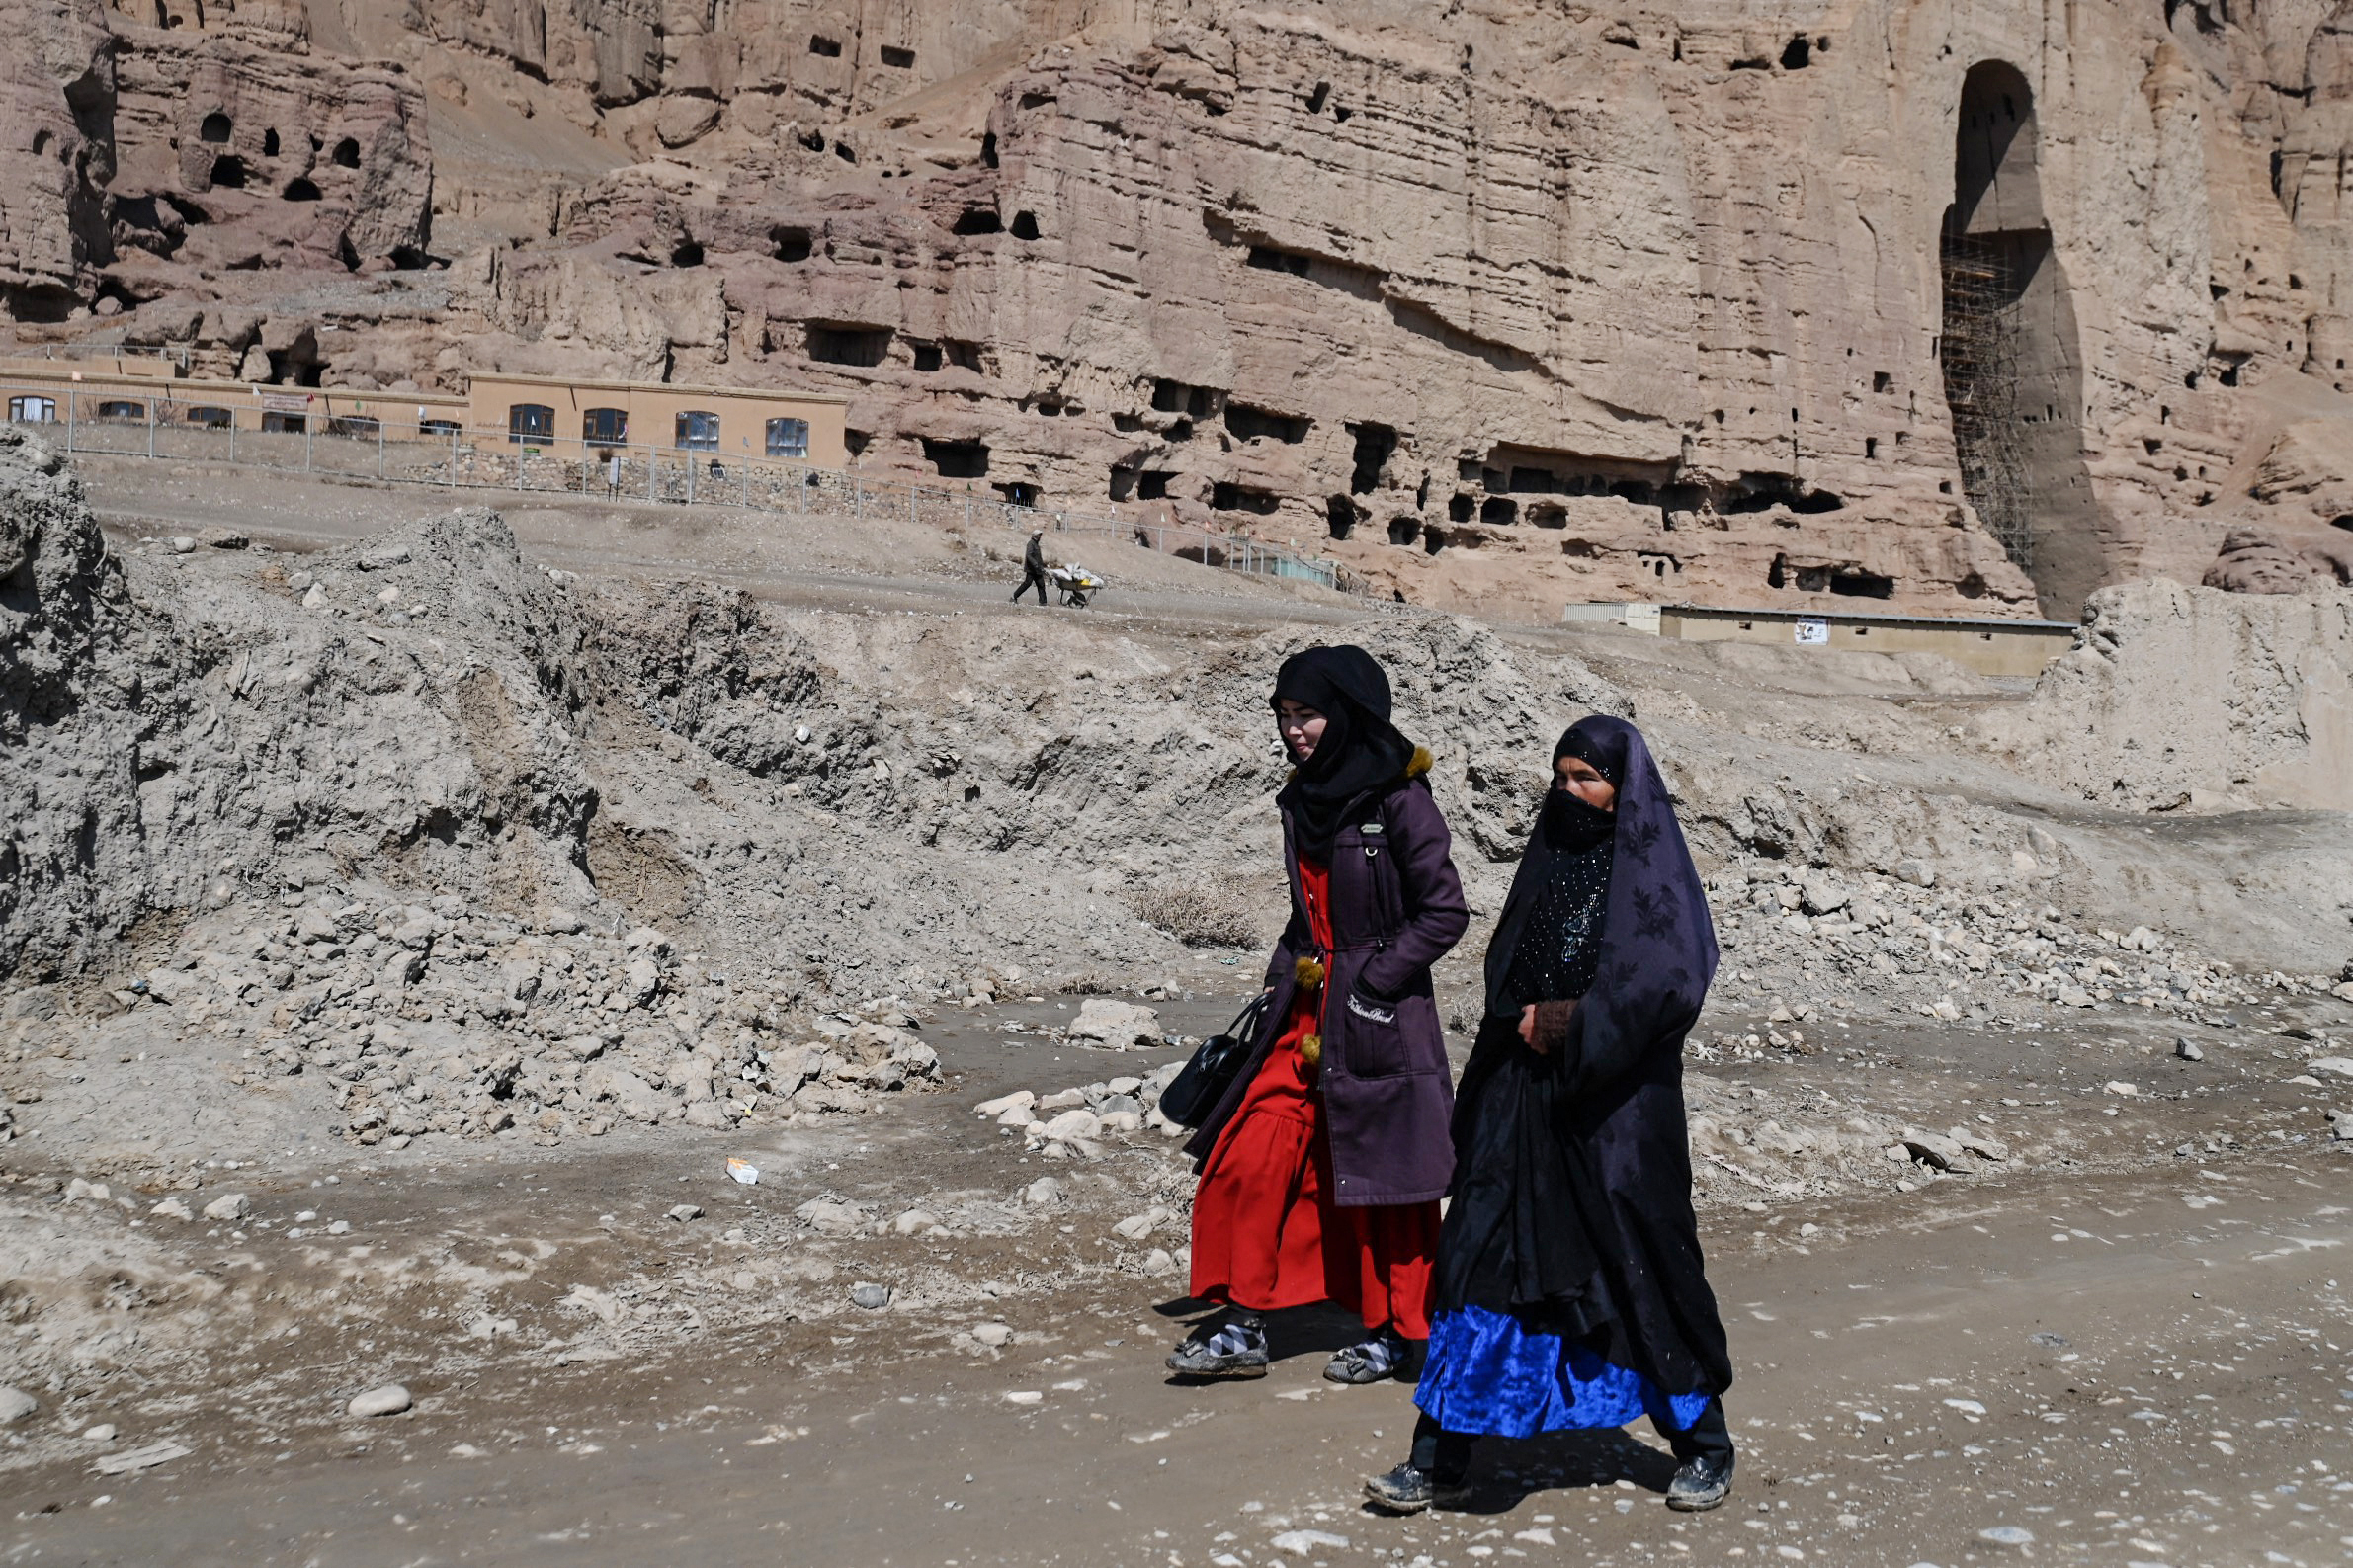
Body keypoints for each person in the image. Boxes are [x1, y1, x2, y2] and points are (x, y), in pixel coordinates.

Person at [1364, 715, 1736, 1515]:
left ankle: (1704, 1442)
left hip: (1614, 1119)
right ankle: (1439, 1458)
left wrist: (1568, 1022)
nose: (1568, 793)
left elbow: (1667, 987)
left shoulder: (1651, 879)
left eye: (1587, 778)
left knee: (1635, 1272)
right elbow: (1510, 969)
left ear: (1622, 789)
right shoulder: (1551, 861)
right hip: (1519, 1105)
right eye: (1560, 776)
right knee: (1475, 1266)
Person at [1170, 646, 1469, 1385]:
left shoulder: (1400, 799)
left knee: (1386, 1181)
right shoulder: (1300, 799)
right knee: (1249, 1153)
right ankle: (1242, 1323)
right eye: (1284, 716)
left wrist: (1372, 981)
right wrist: (1281, 983)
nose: (1294, 731)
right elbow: (1305, 916)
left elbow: (1443, 911)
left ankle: (1402, 1334)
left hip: (1377, 1017)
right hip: (1304, 1015)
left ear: (1346, 715)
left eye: (1306, 715)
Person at [1012, 530, 1050, 605]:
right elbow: (1029, 556)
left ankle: (1043, 602)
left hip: (1037, 569)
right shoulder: (1031, 544)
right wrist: (1035, 564)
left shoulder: (1036, 545)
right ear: (1035, 536)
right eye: (1039, 535)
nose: (1040, 537)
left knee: (1041, 584)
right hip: (1031, 569)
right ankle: (1014, 596)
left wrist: (1041, 567)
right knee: (1027, 584)